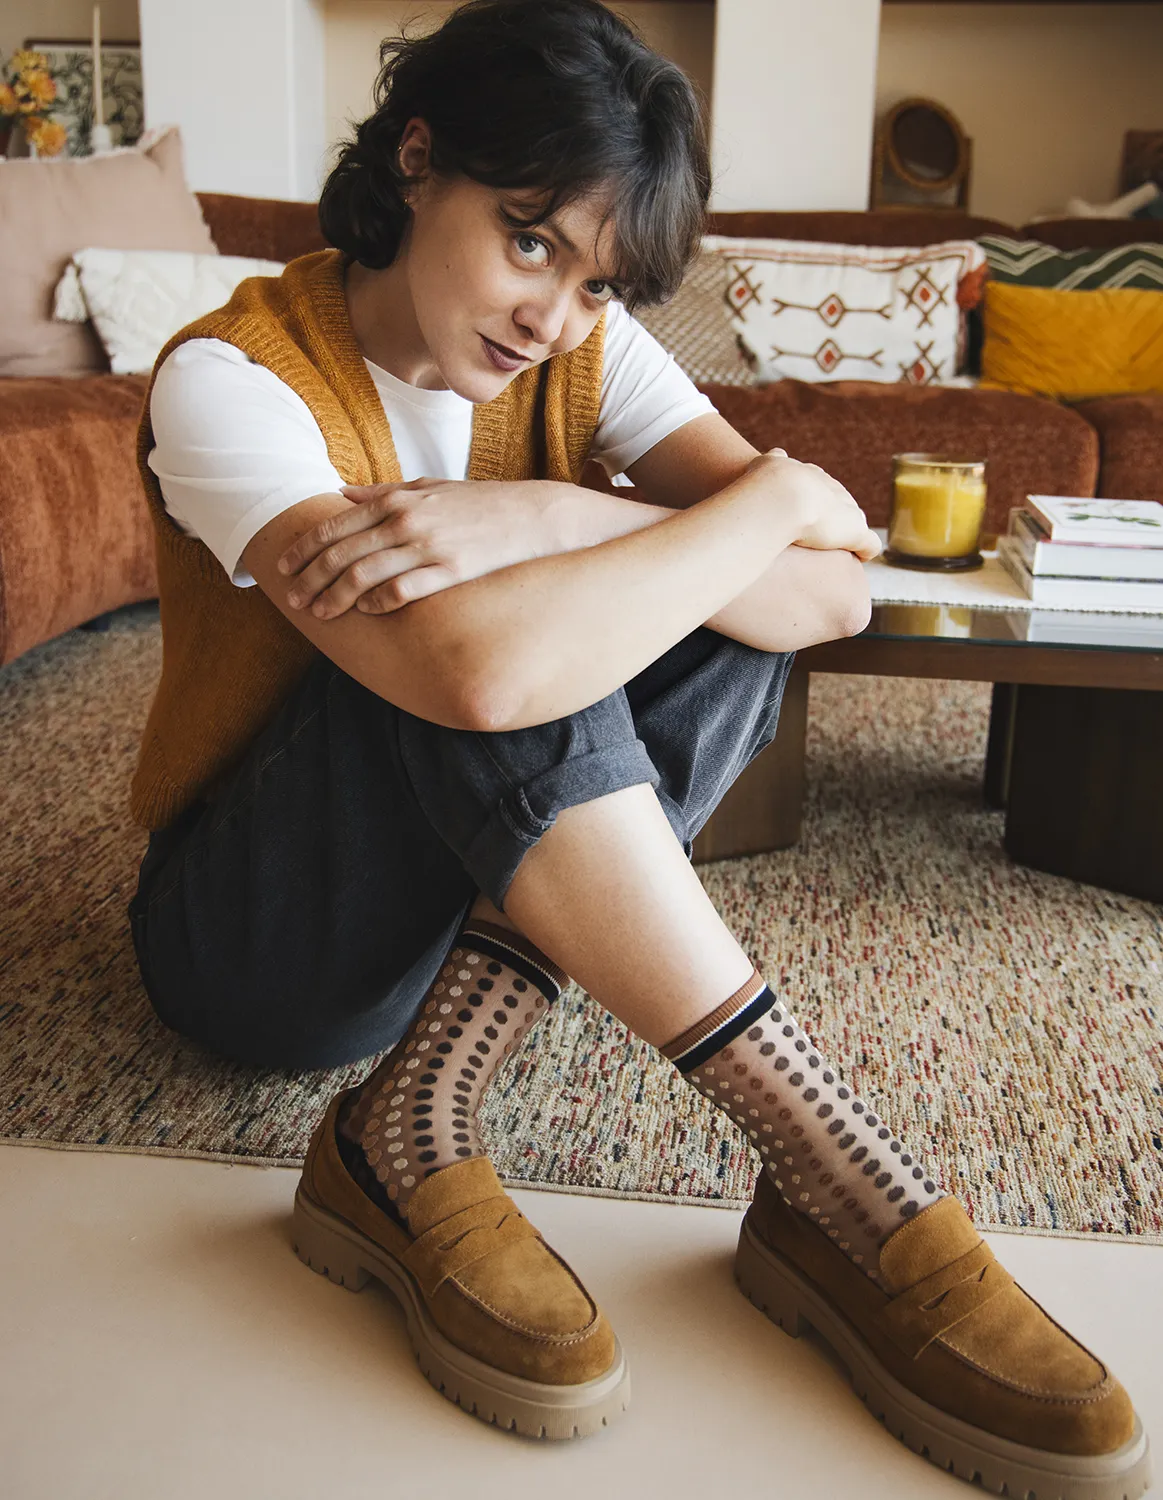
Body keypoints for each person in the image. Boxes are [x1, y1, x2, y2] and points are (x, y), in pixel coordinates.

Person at [125, 0, 1149, 1491]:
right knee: (519, 639)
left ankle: (409, 1121)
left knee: (679, 609)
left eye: (597, 280)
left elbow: (830, 590)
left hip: (452, 894)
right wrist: (738, 504)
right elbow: (478, 675)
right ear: (417, 158)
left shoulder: (585, 359)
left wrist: (556, 510)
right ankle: (835, 1168)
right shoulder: (235, 377)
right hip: (256, 944)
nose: (552, 317)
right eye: (528, 239)